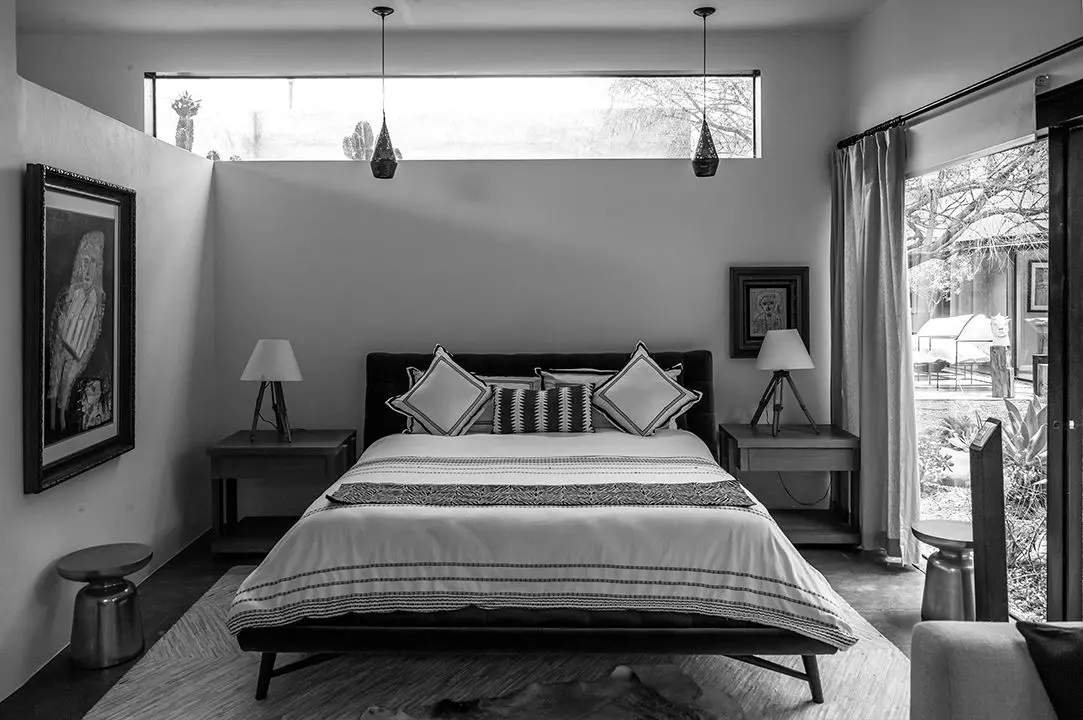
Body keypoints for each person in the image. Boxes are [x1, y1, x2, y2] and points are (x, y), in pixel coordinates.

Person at [48, 230, 107, 433]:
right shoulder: (71, 292)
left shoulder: (99, 299)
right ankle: (53, 423)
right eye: (85, 261)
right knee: (54, 391)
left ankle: (61, 422)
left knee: (65, 398)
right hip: (62, 348)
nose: (88, 269)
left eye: (93, 263)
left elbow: (93, 335)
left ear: (99, 267)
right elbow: (58, 327)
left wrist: (79, 359)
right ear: (80, 263)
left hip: (78, 357)